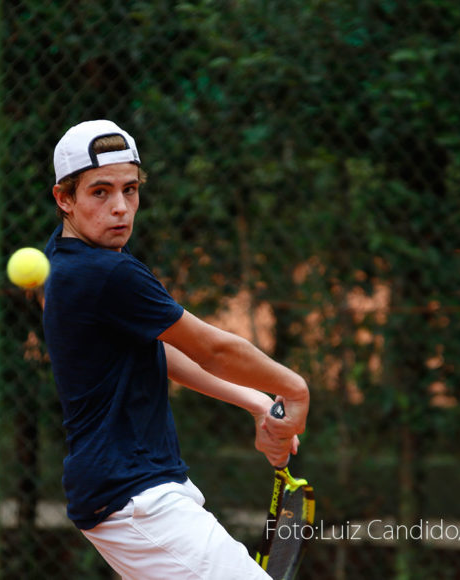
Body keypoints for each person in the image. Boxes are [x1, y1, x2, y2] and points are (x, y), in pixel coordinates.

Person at [43, 120, 309, 579]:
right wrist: (295, 389)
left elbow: (158, 351)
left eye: (130, 190)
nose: (120, 207)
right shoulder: (108, 274)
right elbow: (213, 349)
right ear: (64, 198)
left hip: (135, 488)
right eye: (100, 192)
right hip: (135, 497)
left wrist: (254, 400)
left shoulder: (67, 257)